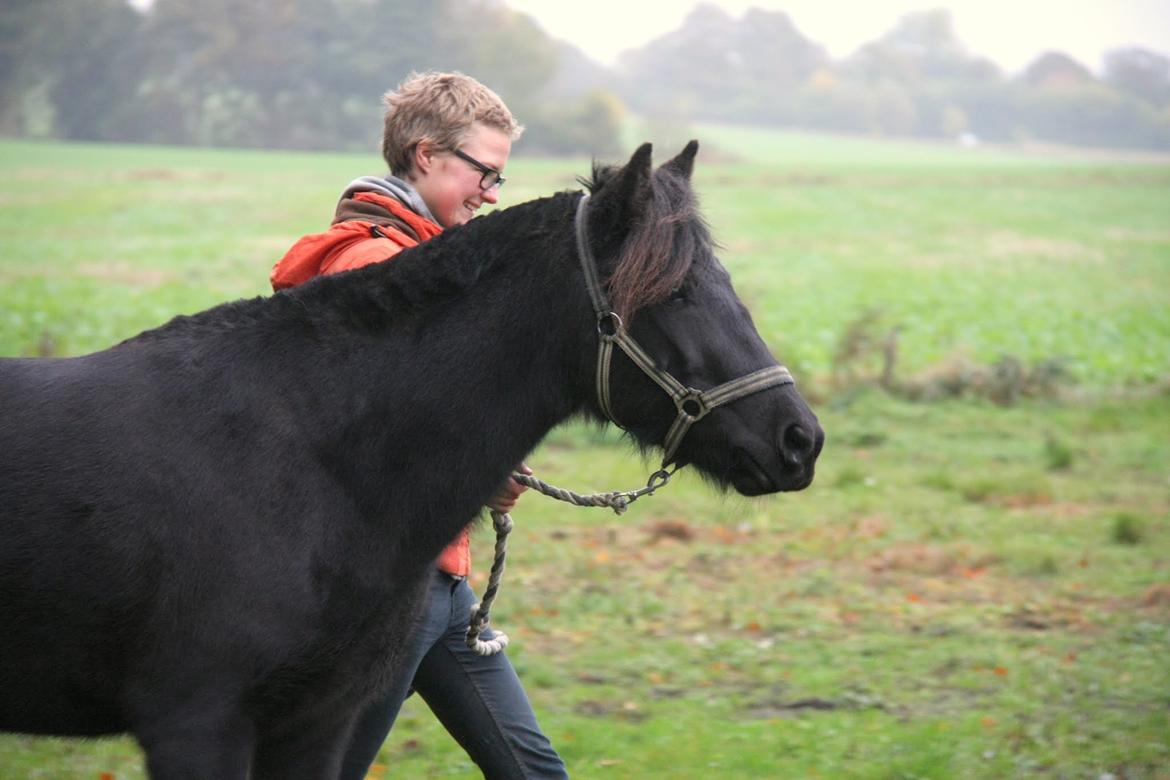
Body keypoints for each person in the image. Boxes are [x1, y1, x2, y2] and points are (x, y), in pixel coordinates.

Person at [270, 71, 567, 780]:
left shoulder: (422, 259)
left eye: (500, 178)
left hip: (438, 580)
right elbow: (366, 436)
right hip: (383, 592)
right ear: (428, 155)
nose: (492, 194)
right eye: (483, 173)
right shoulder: (376, 265)